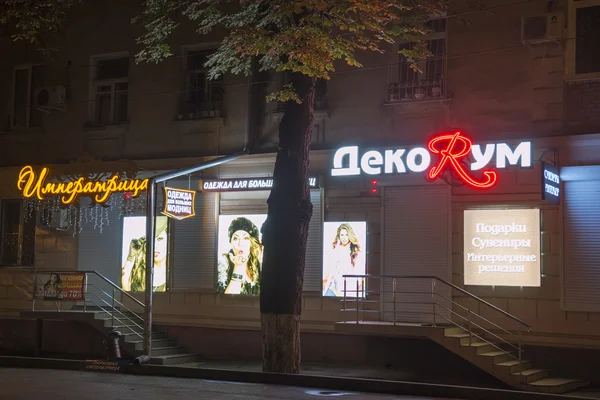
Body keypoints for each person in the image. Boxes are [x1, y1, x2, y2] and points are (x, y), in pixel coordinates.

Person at [217, 217, 263, 295]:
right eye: (235, 238)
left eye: (245, 238)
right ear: (230, 242)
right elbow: (227, 301)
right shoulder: (223, 263)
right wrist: (238, 267)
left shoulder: (257, 262)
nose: (240, 243)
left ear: (251, 242)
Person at [122, 217, 169, 292]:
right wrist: (131, 257)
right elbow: (124, 292)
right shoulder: (138, 271)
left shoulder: (173, 277)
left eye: (160, 239)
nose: (154, 246)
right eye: (150, 240)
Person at [322, 222, 364, 297]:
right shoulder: (335, 250)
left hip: (349, 286)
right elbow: (330, 270)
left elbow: (359, 271)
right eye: (342, 235)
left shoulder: (355, 251)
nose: (344, 237)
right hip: (334, 286)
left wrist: (359, 285)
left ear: (350, 235)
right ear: (339, 236)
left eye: (346, 235)